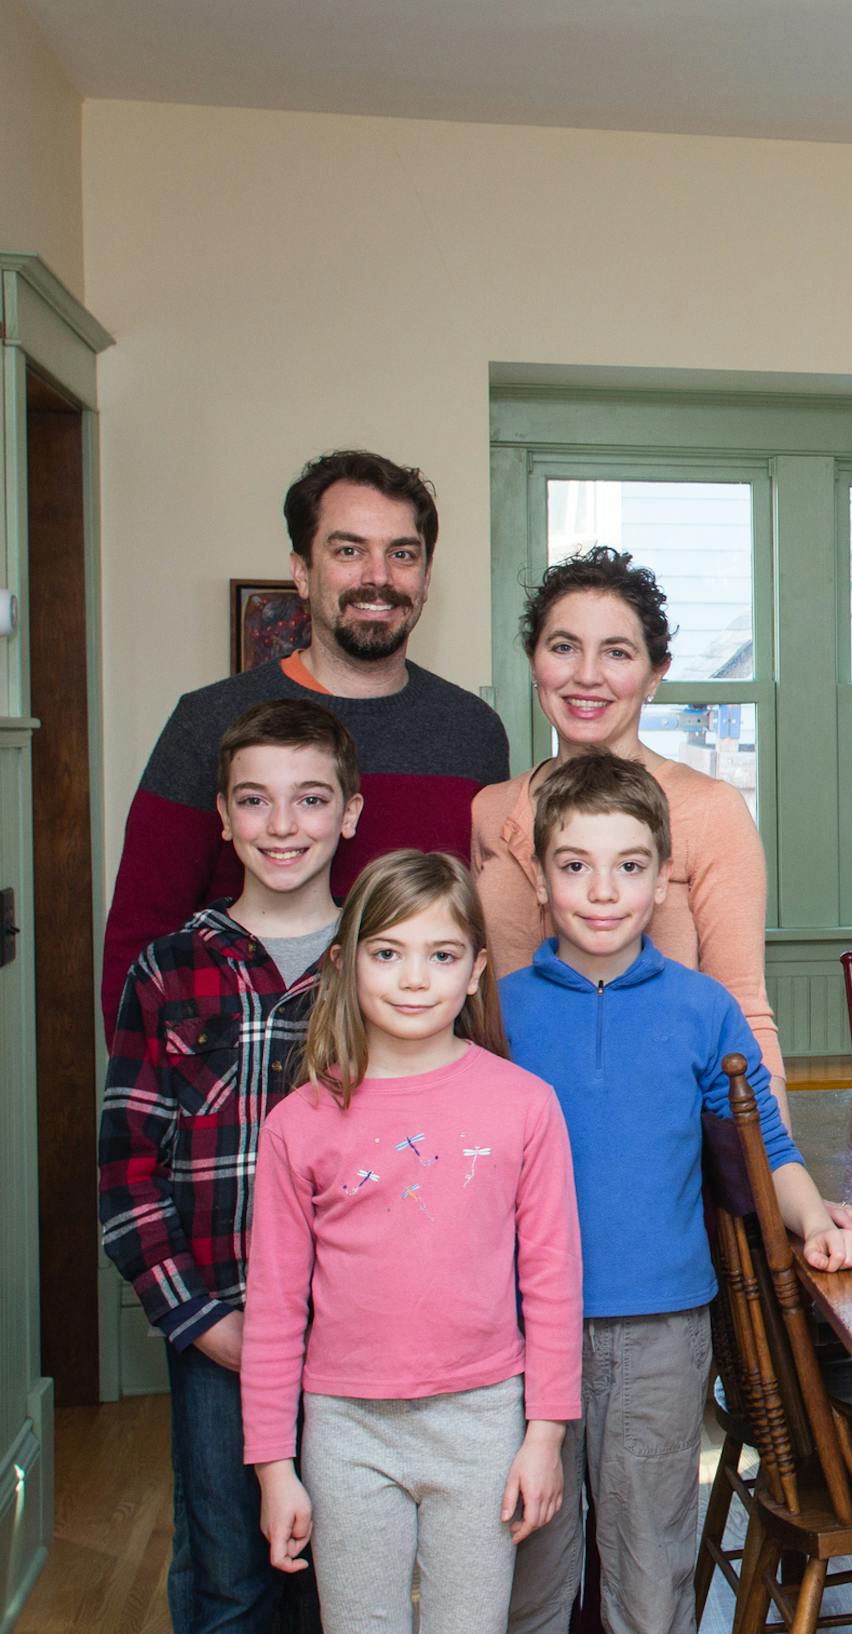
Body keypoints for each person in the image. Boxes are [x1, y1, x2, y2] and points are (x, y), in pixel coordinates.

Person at [497, 754, 852, 1634]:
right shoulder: (493, 1009)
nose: (601, 890)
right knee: (527, 1568)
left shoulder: (702, 1009)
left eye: (628, 866)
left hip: (661, 1326)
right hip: (515, 1329)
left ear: (662, 878)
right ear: (540, 877)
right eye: (574, 865)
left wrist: (815, 1218)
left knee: (649, 1559)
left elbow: (763, 1146)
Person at [240, 851, 582, 1634]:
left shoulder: (525, 1106)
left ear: (476, 971)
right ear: (346, 965)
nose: (414, 978)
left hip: (485, 1419)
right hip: (345, 1428)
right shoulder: (299, 1123)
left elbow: (554, 1278)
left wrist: (546, 1433)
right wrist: (273, 1467)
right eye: (388, 953)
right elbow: (274, 1305)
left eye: (442, 955)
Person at [97, 698, 361, 1634]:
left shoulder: (383, 971)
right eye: (255, 801)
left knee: (340, 1578)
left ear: (351, 812)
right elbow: (125, 1176)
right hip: (220, 1327)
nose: (283, 826)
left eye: (310, 800)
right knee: (229, 1575)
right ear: (222, 816)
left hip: (356, 1337)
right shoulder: (168, 971)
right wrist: (204, 1325)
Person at [102, 449, 511, 1038]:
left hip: (412, 1077)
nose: (378, 576)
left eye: (402, 554)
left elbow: (479, 922)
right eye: (348, 551)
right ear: (302, 571)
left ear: (425, 576)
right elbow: (141, 929)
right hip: (238, 1070)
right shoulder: (209, 720)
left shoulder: (472, 730)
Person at [470, 546, 787, 1107]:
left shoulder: (710, 809)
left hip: (660, 1131)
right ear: (533, 659)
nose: (586, 676)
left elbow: (744, 1010)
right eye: (564, 647)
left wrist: (773, 1186)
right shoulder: (490, 810)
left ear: (654, 673)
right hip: (509, 1125)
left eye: (616, 652)